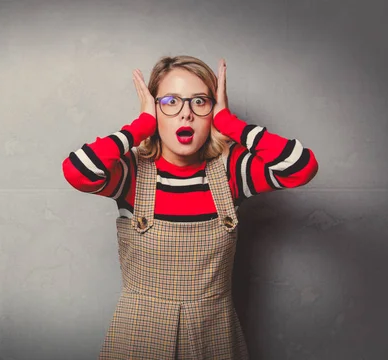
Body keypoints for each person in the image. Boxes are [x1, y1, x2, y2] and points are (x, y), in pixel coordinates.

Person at [61, 55, 318, 359]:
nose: (186, 115)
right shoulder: (130, 173)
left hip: (214, 336)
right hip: (139, 336)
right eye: (170, 102)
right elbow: (77, 171)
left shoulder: (231, 171)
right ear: (155, 110)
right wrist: (140, 126)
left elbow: (301, 166)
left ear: (213, 109)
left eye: (199, 102)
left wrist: (229, 123)